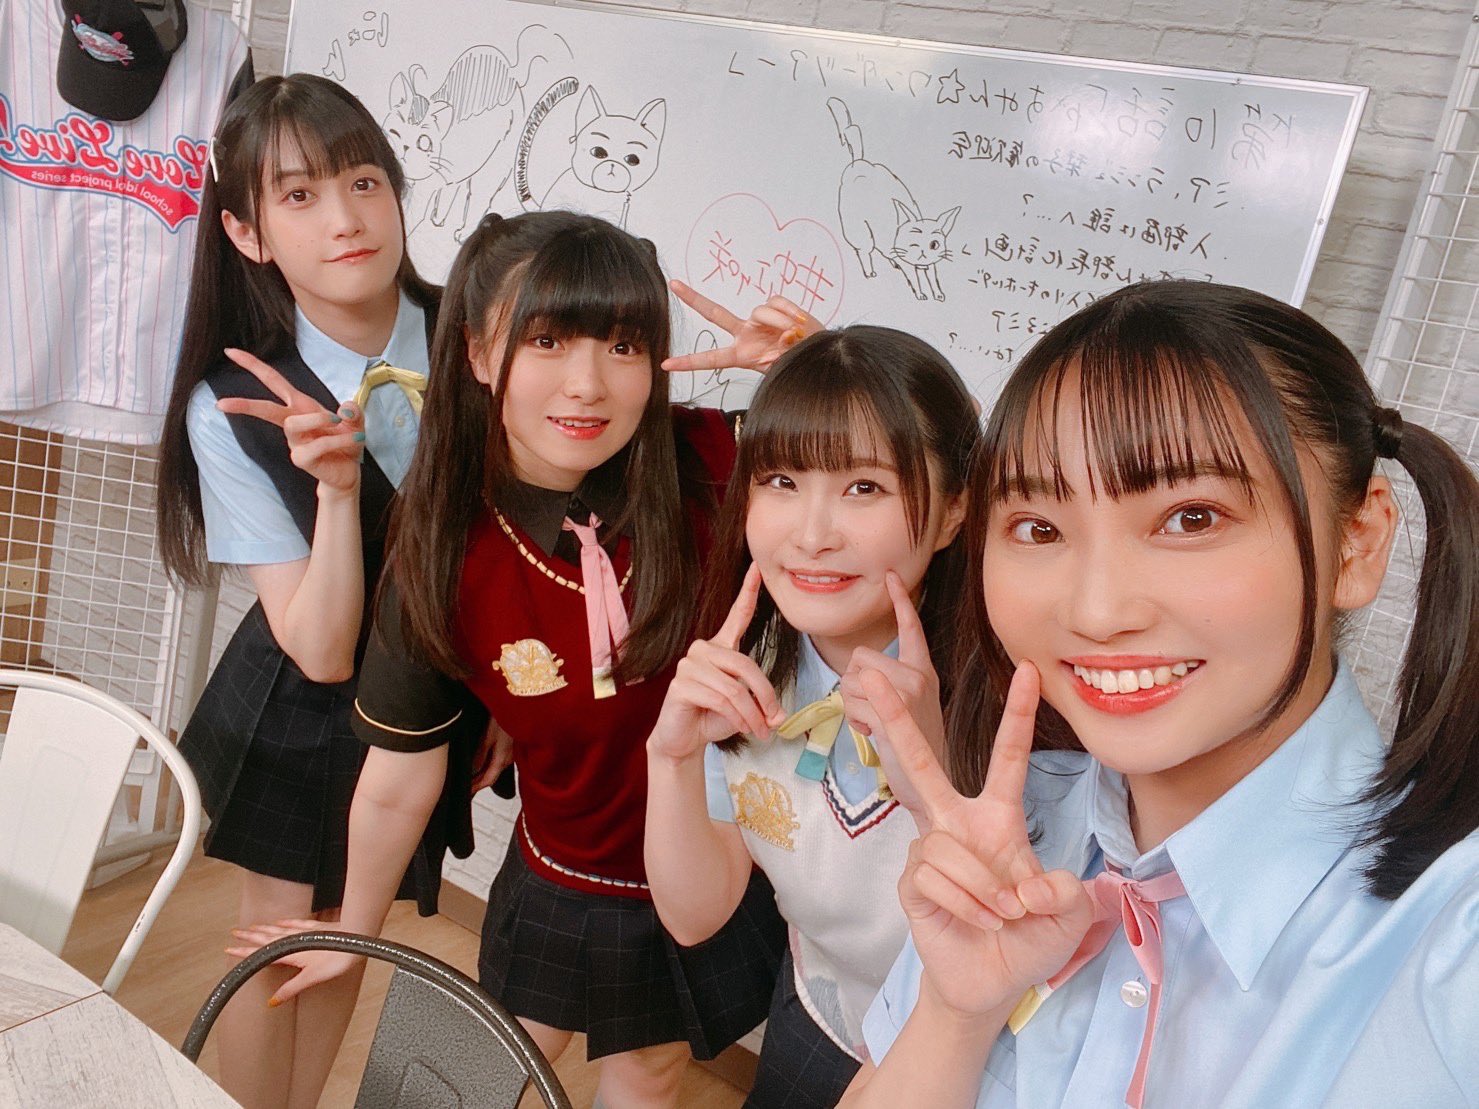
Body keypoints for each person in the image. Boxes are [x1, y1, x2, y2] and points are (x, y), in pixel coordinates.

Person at [839, 280, 1479, 1107]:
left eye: (1191, 518)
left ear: (1356, 541)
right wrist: (955, 1014)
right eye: (1038, 528)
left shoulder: (1451, 945)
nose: (1096, 611)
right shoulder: (1017, 824)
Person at [230, 212, 809, 1108]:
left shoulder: (719, 461)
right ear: (476, 351)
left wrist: (817, 376)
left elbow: (906, 491)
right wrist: (352, 932)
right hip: (558, 865)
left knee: (649, 1075)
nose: (587, 383)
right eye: (546, 340)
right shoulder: (442, 541)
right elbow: (397, 777)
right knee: (443, 1082)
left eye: (623, 345)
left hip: (708, 868)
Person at [156, 73, 457, 1109]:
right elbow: (320, 648)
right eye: (299, 195)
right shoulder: (230, 403)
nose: (345, 218)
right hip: (301, 697)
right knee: (280, 939)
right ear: (246, 233)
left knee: (348, 939)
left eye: (363, 181)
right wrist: (335, 492)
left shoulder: (479, 332)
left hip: (422, 691)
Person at [644, 326, 978, 1108]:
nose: (812, 534)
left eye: (864, 487)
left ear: (953, 511)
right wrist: (671, 759)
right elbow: (695, 916)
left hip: (981, 1048)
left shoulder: (1013, 694)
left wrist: (935, 778)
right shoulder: (750, 665)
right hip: (827, 1016)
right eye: (780, 480)